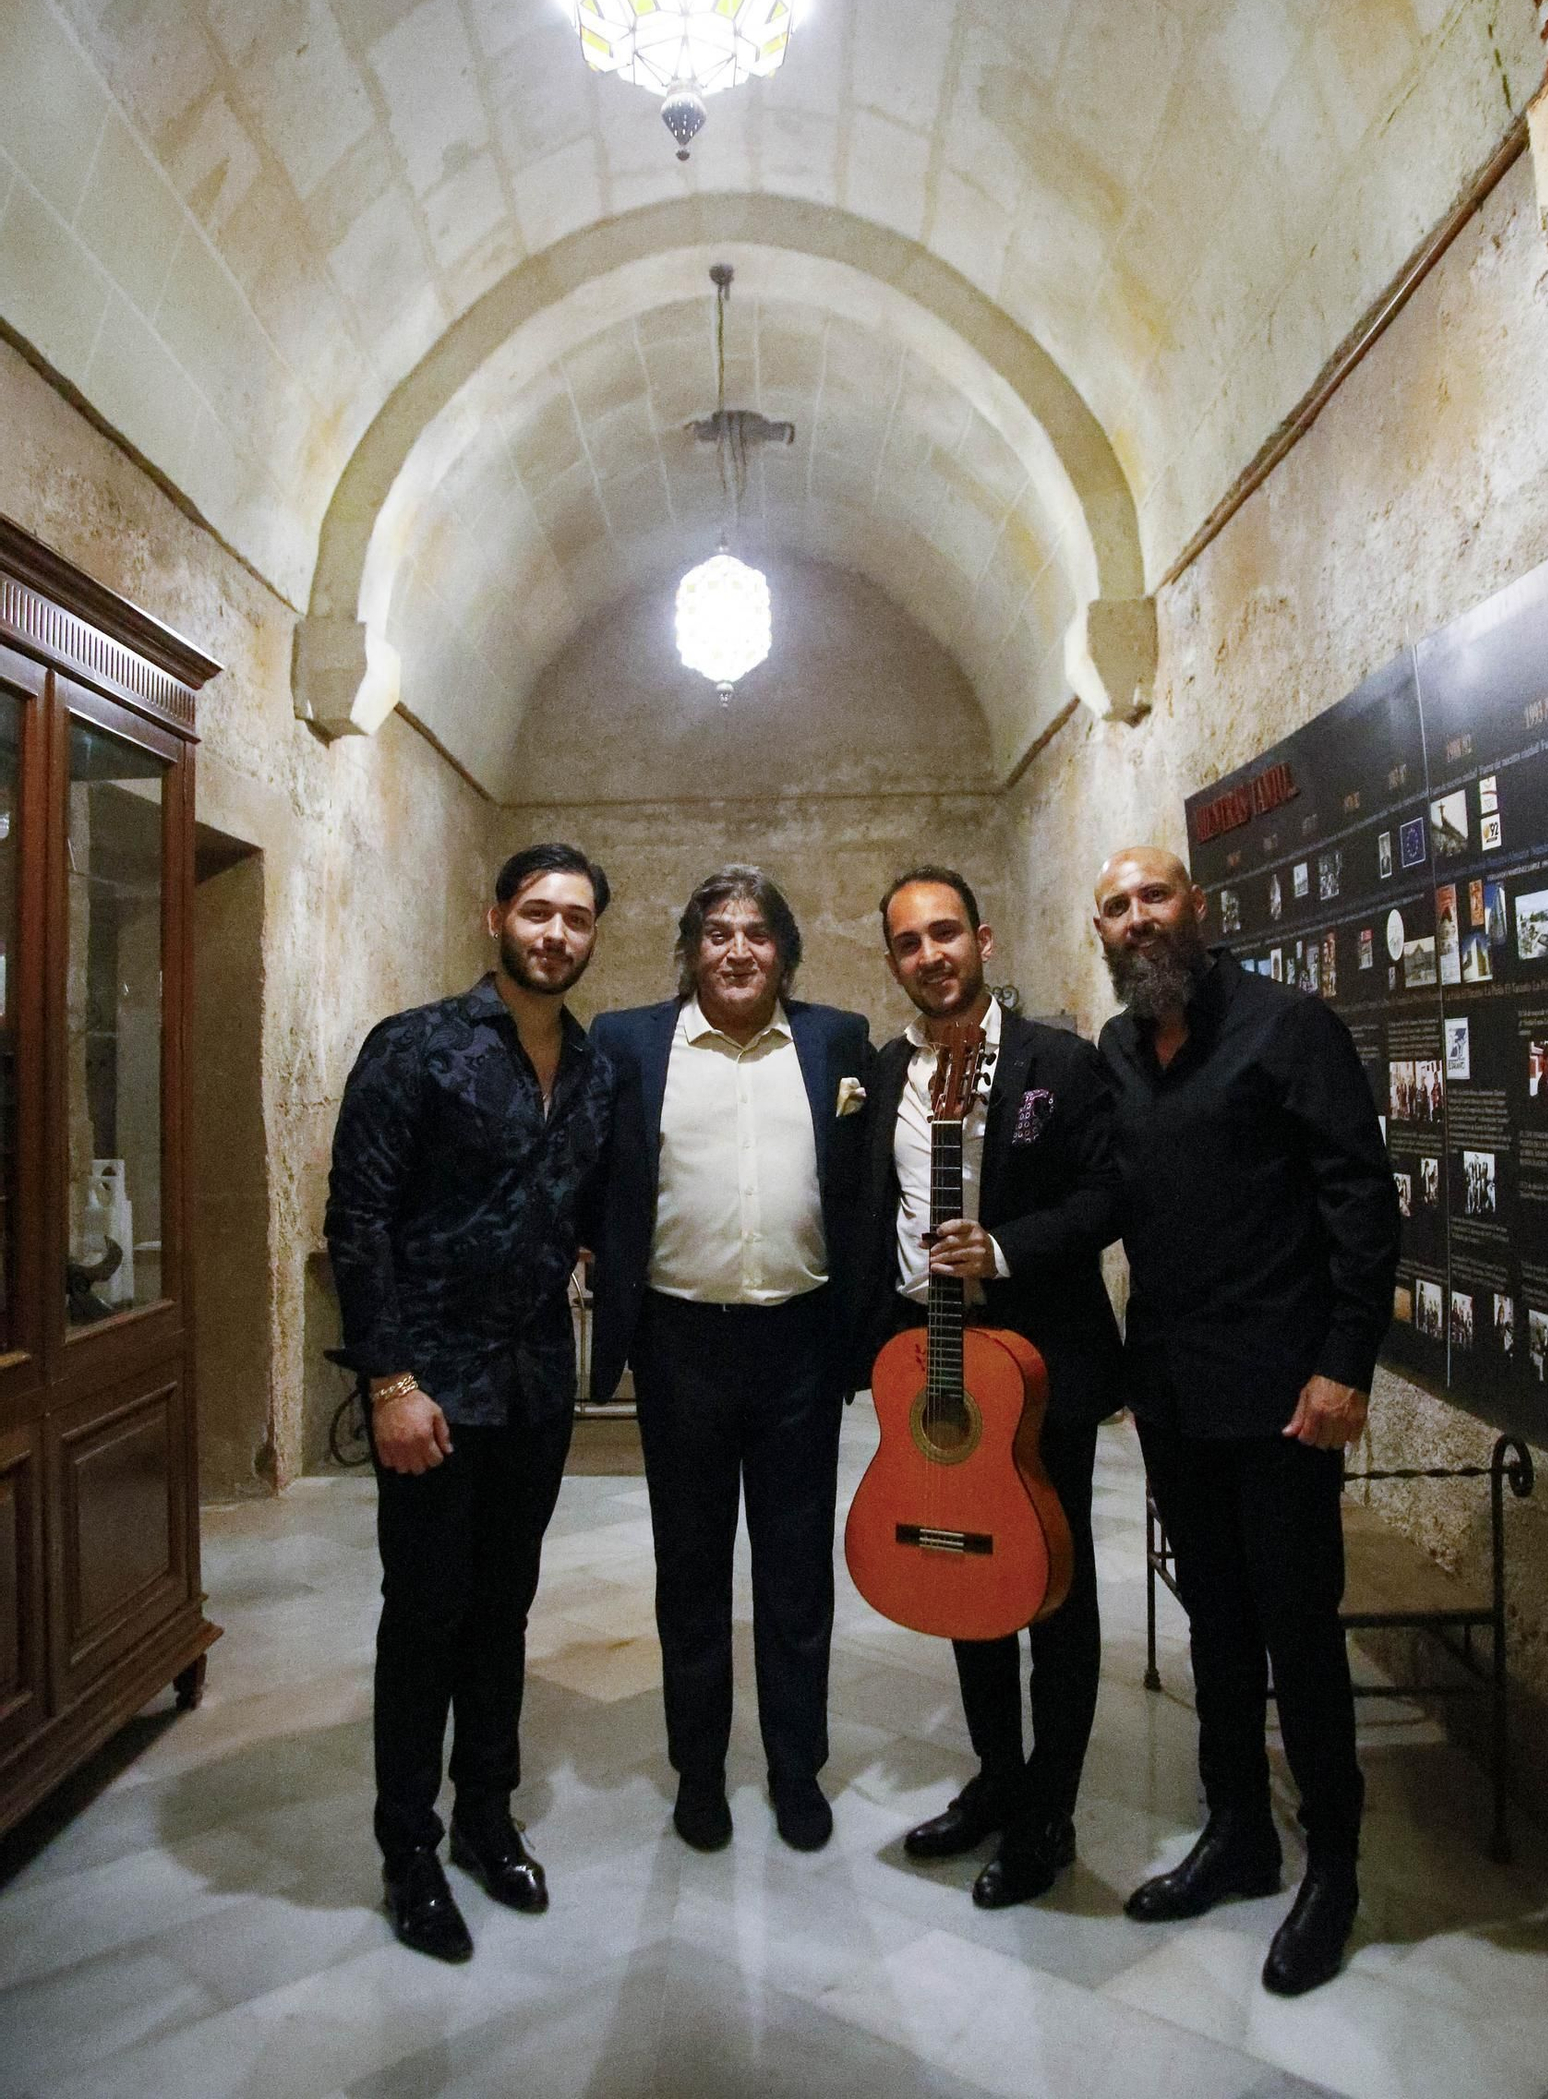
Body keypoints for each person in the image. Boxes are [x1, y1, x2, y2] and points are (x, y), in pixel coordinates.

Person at [1094, 846, 1398, 1999]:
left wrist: (1343, 1363)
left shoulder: (1289, 1026)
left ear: (1196, 909)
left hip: (1283, 1392)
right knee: (1213, 1620)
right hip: (1172, 1390)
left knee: (1298, 1629)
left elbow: (1357, 1198)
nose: (1136, 920)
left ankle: (1336, 1865)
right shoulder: (1119, 1052)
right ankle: (1238, 1833)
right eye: (1115, 909)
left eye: (1152, 898)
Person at [325, 843, 615, 1963]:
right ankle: (408, 1849)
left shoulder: (592, 1070)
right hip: (432, 1390)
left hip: (535, 1385)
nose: (555, 934)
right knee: (425, 1618)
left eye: (576, 919)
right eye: (537, 912)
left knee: (504, 1615)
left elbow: (583, 1201)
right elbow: (358, 1220)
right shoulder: (416, 1047)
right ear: (494, 916)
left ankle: (488, 1819)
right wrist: (390, 1381)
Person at [589, 866, 873, 1854]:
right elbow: (589, 1167)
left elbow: (866, 1186)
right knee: (691, 1573)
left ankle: (798, 1774)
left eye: (757, 934)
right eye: (716, 933)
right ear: (690, 950)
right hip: (680, 1345)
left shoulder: (838, 1043)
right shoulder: (628, 1043)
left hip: (800, 1340)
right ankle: (698, 1775)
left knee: (797, 1575)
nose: (737, 950)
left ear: (786, 954)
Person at [855, 869, 1121, 1908]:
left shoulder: (1061, 1061)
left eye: (946, 933)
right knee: (961, 1567)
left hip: (1039, 1360)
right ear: (894, 962)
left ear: (985, 939)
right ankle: (995, 1780)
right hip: (933, 1357)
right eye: (910, 942)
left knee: (1051, 1582)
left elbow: (1107, 1194)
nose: (931, 955)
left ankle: (1048, 1807)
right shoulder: (883, 1075)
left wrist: (1004, 1250)